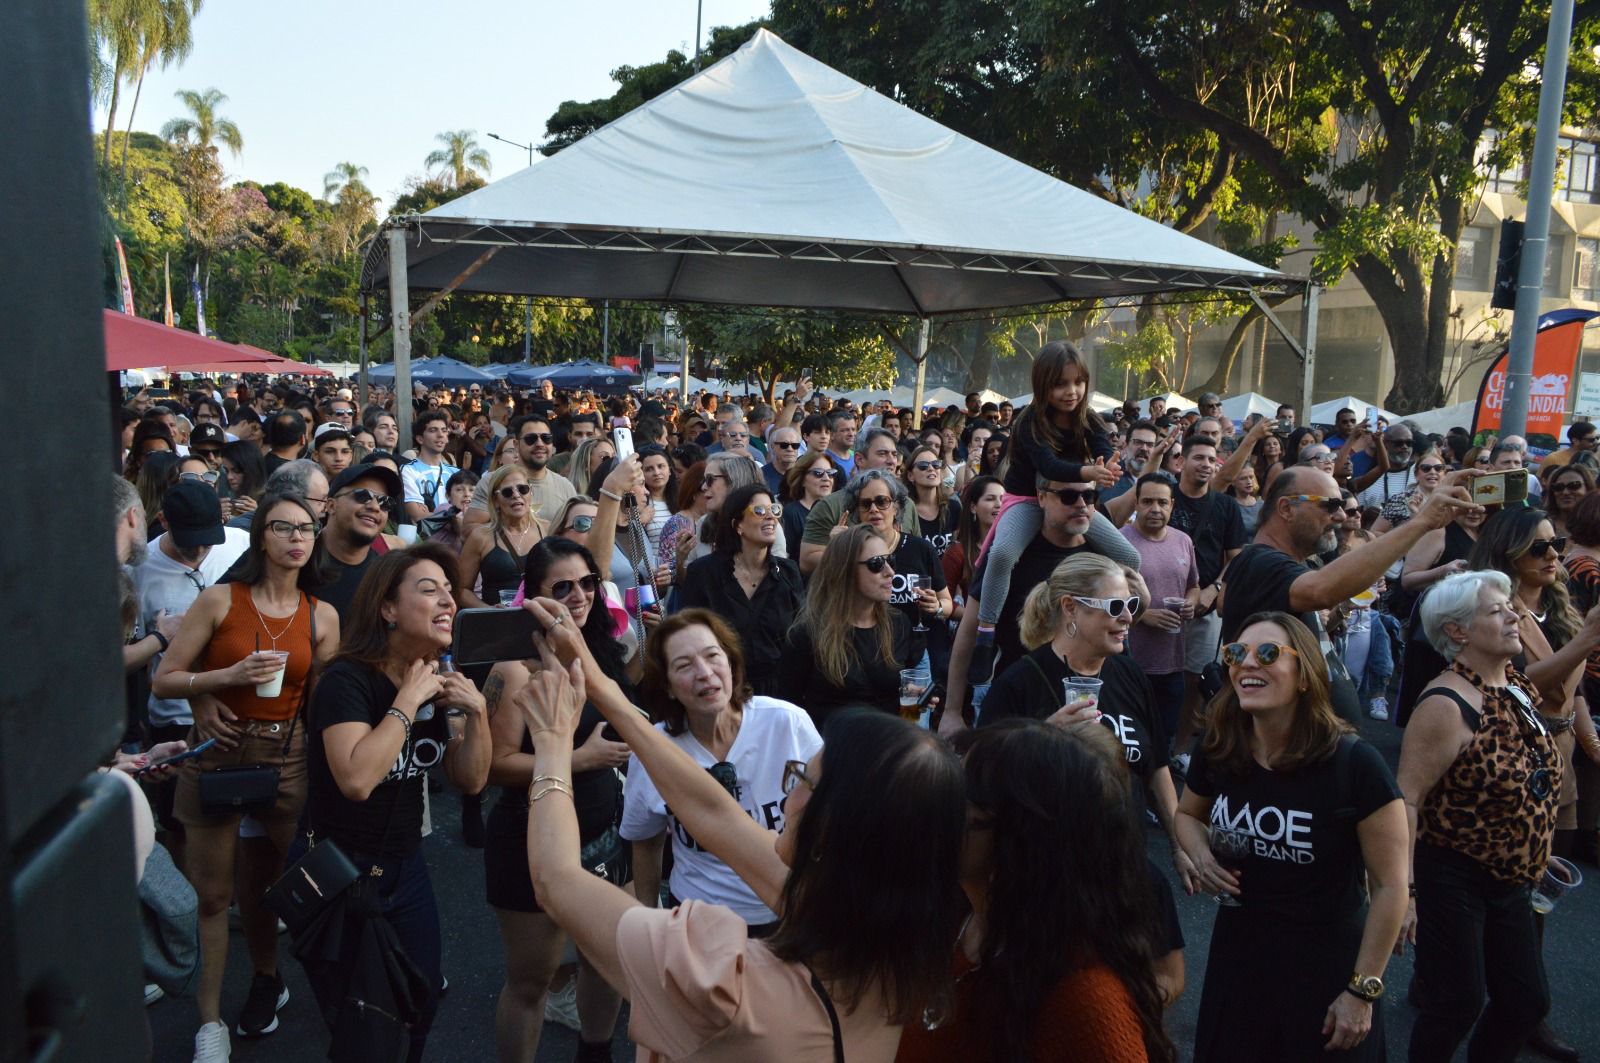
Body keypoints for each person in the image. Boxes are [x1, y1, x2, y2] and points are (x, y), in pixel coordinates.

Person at [516, 597, 967, 1063]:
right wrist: (601, 687)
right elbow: (714, 815)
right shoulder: (892, 943)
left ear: (833, 824)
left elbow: (556, 880)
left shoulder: (716, 976)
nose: (786, 796)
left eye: (802, 780)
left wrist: (552, 740)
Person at [151, 494, 340, 1062]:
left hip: (288, 756)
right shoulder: (220, 599)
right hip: (217, 754)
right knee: (213, 897)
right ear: (260, 536)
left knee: (297, 889)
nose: (296, 538)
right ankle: (209, 1024)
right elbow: (165, 680)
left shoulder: (319, 613)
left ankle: (303, 990)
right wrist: (218, 682)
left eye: (306, 528)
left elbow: (323, 702)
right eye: (283, 527)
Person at [1177, 613, 1408, 1063]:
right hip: (1240, 960)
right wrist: (1199, 853)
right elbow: (1186, 814)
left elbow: (1390, 886)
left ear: (1305, 675)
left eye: (1267, 654)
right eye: (1236, 654)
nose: (1248, 664)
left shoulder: (1355, 763)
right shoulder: (1220, 745)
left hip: (1325, 967)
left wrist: (1362, 992)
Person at [296, 542, 491, 1063]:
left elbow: (470, 782)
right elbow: (357, 778)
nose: (448, 601)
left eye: (450, 592)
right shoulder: (346, 679)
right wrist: (407, 700)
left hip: (405, 868)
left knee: (420, 1004)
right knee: (362, 1025)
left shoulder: (433, 680)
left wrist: (477, 716)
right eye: (429, 591)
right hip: (341, 874)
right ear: (387, 608)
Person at [897, 719, 1177, 1062]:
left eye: (956, 795)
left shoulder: (1084, 1001)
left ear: (1019, 839)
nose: (936, 806)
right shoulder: (959, 925)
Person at [1401, 571, 1565, 1062]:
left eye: (1509, 606)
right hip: (1453, 873)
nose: (1514, 615)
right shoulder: (1445, 703)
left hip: (1513, 876)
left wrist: (1540, 843)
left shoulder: (1513, 684)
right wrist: (1405, 893)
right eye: (1497, 610)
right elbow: (1406, 798)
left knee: (1525, 1001)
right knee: (1456, 1003)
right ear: (1458, 632)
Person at [482, 539, 632, 1063]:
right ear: (534, 594)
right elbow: (494, 766)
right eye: (561, 587)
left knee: (606, 959)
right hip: (528, 838)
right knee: (531, 982)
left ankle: (596, 1053)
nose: (579, 595)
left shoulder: (603, 647)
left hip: (603, 830)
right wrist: (582, 759)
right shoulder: (514, 668)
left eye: (588, 583)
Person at [1221, 464, 1478, 726]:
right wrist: (1422, 523)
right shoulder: (1258, 562)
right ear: (1286, 508)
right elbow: (1320, 591)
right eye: (1330, 505)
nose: (1341, 516)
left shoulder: (1292, 565)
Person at [622, 609, 823, 941]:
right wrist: (648, 919)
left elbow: (827, 817)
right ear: (669, 687)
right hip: (699, 921)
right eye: (684, 666)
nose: (704, 673)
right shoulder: (654, 751)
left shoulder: (787, 723)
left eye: (713, 656)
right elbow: (646, 840)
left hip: (789, 915)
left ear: (732, 664)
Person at [966, 345, 1143, 684]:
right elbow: (1049, 465)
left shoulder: (1087, 416)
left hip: (1073, 498)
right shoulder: (1030, 421)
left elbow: (1104, 446)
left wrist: (1105, 465)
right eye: (1061, 384)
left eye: (1078, 383)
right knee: (1002, 554)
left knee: (1130, 556)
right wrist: (1089, 472)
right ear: (1042, 385)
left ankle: (1119, 623)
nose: (1071, 391)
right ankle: (986, 634)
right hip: (1026, 500)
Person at [775, 524, 914, 726]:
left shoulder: (898, 623)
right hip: (831, 751)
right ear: (845, 569)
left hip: (887, 748)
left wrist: (913, 698)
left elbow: (899, 694)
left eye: (890, 560)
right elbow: (788, 711)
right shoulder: (808, 633)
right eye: (876, 563)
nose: (890, 571)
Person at [679, 483, 804, 696]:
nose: (770, 517)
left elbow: (800, 639)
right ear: (738, 525)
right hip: (723, 690)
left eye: (774, 510)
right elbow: (690, 637)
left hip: (780, 693)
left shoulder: (788, 572)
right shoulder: (703, 573)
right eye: (759, 511)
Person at [1119, 473, 1200, 736]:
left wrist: (1191, 602)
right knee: (1132, 738)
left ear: (1172, 505)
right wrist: (1142, 614)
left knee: (1164, 737)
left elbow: (1194, 585)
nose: (1156, 509)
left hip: (1173, 661)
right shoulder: (1120, 541)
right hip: (1131, 661)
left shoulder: (1183, 541)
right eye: (1148, 501)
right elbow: (1104, 596)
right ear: (1136, 503)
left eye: (1162, 502)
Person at [1560, 491, 1600, 866]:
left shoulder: (1578, 561)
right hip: (1589, 676)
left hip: (1583, 673)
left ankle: (1587, 835)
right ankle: (1587, 837)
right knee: (1588, 762)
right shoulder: (1587, 567)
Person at [458, 464, 549, 611]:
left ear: (530, 493)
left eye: (522, 489)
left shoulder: (548, 530)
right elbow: (461, 589)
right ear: (495, 500)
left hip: (541, 621)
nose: (516, 495)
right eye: (507, 492)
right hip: (496, 627)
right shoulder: (481, 537)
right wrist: (489, 611)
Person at [401, 410, 461, 522]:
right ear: (420, 439)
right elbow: (417, 515)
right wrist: (454, 517)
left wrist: (430, 514)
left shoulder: (456, 473)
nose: (440, 435)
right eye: (433, 430)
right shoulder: (408, 470)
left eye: (444, 430)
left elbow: (468, 511)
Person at [903, 443, 961, 558]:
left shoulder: (953, 507)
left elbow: (958, 549)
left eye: (936, 464)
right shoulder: (905, 510)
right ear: (910, 475)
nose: (931, 468)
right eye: (923, 466)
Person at [778, 450, 837, 558]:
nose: (826, 478)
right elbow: (783, 557)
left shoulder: (839, 510)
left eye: (830, 473)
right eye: (818, 473)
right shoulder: (791, 512)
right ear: (802, 480)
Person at [219, 440, 265, 523]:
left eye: (236, 470)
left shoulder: (270, 499)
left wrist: (257, 516)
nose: (229, 477)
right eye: (226, 470)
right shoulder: (220, 493)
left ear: (251, 469)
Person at [1544, 463, 1592, 539]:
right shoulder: (1541, 525)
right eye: (1559, 487)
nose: (1565, 492)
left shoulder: (1596, 525)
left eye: (1574, 485)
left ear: (1588, 488)